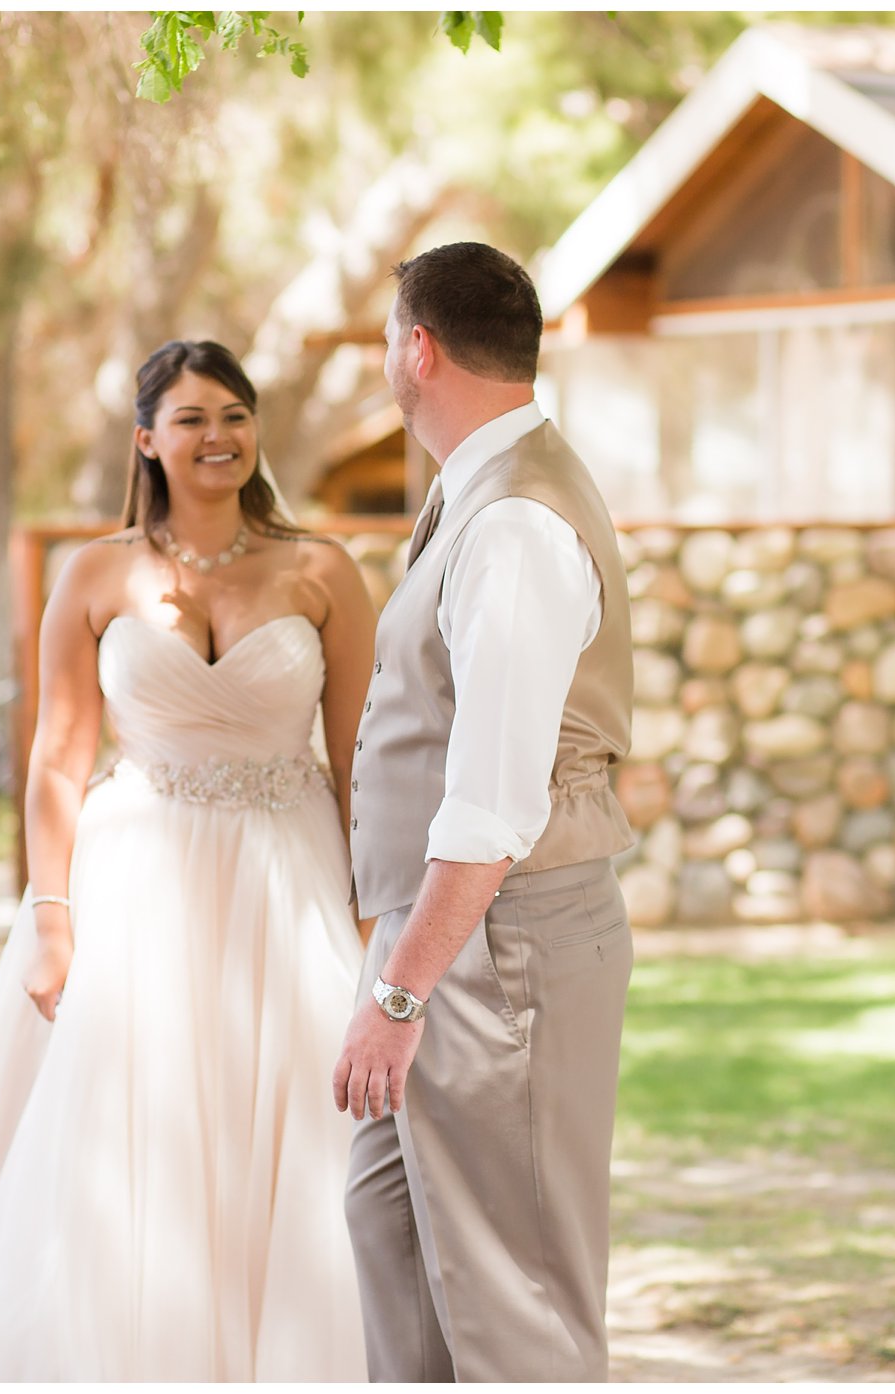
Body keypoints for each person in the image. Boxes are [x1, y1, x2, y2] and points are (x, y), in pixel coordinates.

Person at [0, 340, 378, 1381]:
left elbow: (357, 753)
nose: (218, 436)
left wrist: (373, 918)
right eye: (191, 419)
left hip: (291, 881)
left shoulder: (321, 570)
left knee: (292, 1143)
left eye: (235, 415)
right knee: (127, 1135)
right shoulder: (93, 573)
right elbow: (57, 755)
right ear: (146, 438)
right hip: (137, 885)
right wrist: (53, 916)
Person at [333, 241, 637, 1381]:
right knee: (397, 1245)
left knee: (515, 1301)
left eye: (384, 341)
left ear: (418, 348)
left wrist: (398, 992)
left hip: (495, 949)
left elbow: (494, 800)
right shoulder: (480, 494)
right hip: (441, 939)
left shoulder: (513, 525)